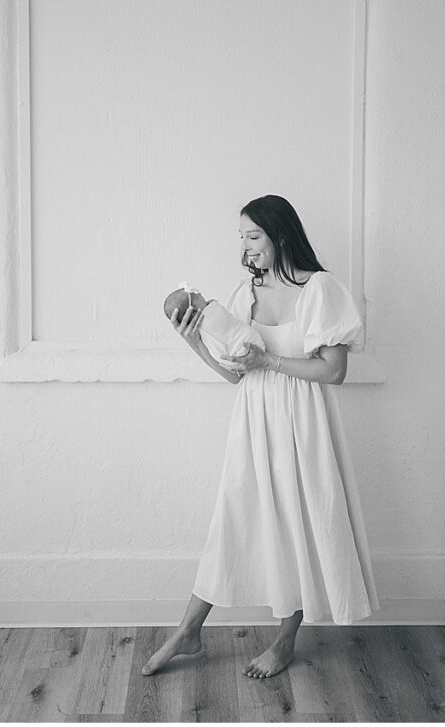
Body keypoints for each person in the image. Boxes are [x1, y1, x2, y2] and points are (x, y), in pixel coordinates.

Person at [143, 195, 378, 679]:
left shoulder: (320, 290)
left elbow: (333, 371)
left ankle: (286, 640)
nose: (246, 247)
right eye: (242, 237)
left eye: (254, 236)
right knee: (232, 519)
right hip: (253, 421)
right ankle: (189, 629)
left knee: (300, 524)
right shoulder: (244, 294)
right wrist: (195, 343)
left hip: (303, 423)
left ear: (281, 235)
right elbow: (237, 376)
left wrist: (268, 361)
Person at [162, 283, 265, 369]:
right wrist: (195, 343)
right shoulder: (206, 322)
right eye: (197, 296)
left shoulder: (211, 314)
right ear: (193, 311)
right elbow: (234, 378)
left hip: (246, 352)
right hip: (243, 348)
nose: (200, 294)